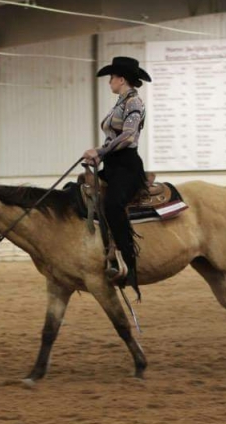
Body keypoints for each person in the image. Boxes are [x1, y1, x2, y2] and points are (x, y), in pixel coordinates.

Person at [82, 56, 151, 297]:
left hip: (127, 167)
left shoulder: (134, 103)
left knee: (113, 204)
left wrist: (100, 152)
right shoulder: (120, 103)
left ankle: (128, 263)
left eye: (111, 77)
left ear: (121, 79)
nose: (109, 81)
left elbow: (129, 135)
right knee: (80, 189)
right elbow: (113, 137)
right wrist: (99, 155)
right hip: (112, 165)